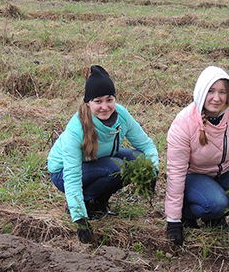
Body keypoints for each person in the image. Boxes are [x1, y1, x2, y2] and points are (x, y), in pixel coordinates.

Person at [48, 65, 159, 243]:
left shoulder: (121, 115)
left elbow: (147, 146)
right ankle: (84, 203)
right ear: (88, 103)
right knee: (116, 167)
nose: (105, 107)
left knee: (138, 160)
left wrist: (152, 169)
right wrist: (80, 219)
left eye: (109, 99)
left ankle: (99, 203)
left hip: (97, 161)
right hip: (62, 173)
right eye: (98, 101)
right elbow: (72, 175)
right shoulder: (76, 130)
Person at [165, 66, 229, 245]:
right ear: (201, 91)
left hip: (226, 171)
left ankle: (214, 219)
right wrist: (173, 221)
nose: (216, 98)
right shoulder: (183, 124)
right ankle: (188, 214)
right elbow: (176, 173)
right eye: (211, 91)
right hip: (194, 176)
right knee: (216, 203)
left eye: (222, 92)